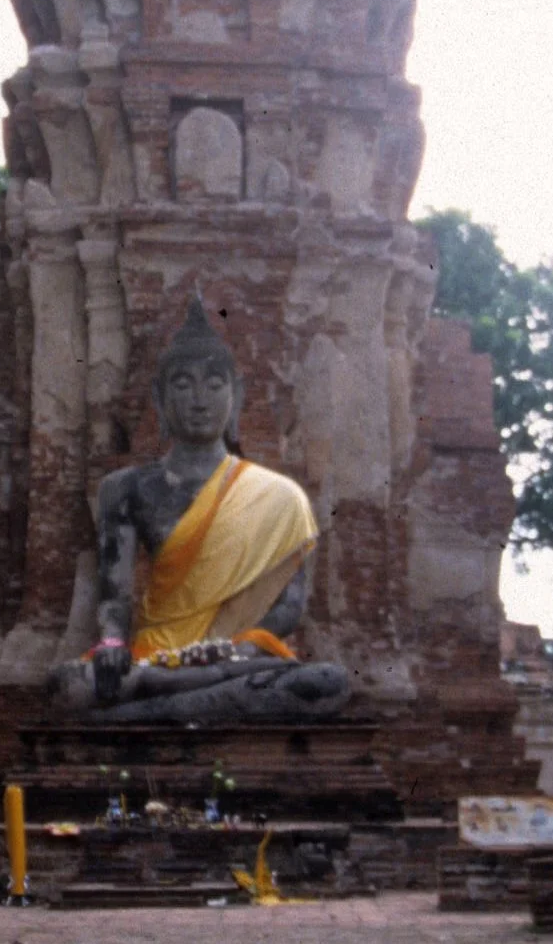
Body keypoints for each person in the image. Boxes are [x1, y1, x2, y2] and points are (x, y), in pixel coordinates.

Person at [57, 295, 351, 725]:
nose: (199, 400)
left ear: (236, 395)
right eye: (183, 384)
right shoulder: (123, 488)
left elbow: (289, 609)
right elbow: (114, 599)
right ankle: (181, 694)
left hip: (235, 658)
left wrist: (237, 651)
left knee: (327, 681)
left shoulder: (281, 497)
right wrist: (114, 645)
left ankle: (152, 703)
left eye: (214, 385)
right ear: (159, 397)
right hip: (155, 655)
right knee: (69, 684)